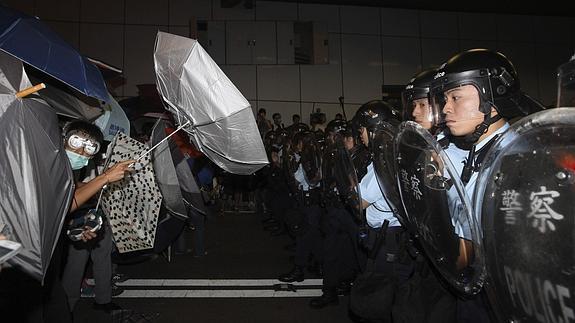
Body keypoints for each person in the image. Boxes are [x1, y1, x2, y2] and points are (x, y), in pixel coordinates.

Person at [428, 48, 545, 323]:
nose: (445, 108)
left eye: (455, 97)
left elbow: (464, 256)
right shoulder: (481, 150)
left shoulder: (513, 159)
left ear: (491, 99)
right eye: (445, 98)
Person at [60, 121, 134, 315]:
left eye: (91, 147)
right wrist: (105, 178)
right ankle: (68, 307)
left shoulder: (92, 162)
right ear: (64, 138)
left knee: (102, 258)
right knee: (74, 266)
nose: (83, 152)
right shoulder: (49, 164)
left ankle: (103, 299)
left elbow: (75, 188)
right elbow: (66, 203)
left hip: (94, 214)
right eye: (78, 142)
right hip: (69, 221)